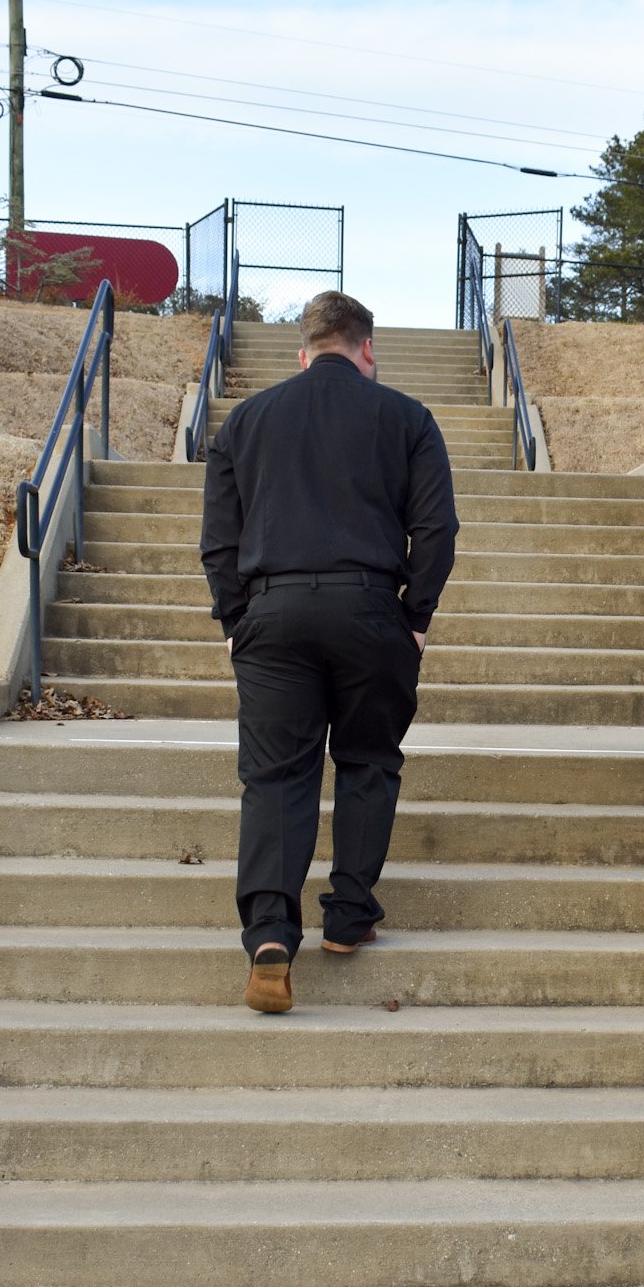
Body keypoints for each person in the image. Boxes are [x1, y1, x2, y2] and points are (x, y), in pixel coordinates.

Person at [200, 291, 459, 1014]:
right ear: (367, 348)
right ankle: (347, 916)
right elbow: (437, 531)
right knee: (369, 758)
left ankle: (270, 935)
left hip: (272, 613)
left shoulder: (245, 421)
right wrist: (416, 616)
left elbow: (219, 539)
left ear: (303, 351)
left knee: (277, 774)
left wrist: (234, 618)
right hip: (372, 607)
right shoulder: (407, 417)